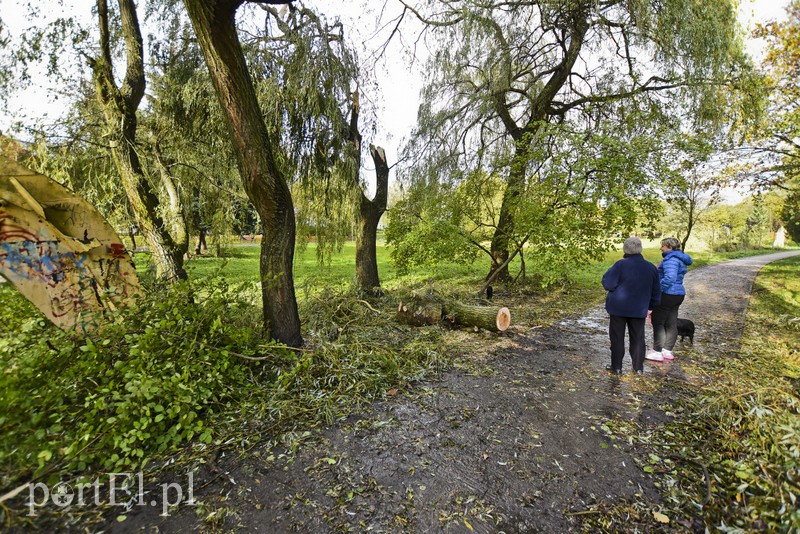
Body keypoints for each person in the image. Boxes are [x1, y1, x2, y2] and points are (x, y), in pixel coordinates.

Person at [602, 236, 661, 375]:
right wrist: (651, 306)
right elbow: (656, 290)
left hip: (618, 308)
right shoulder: (650, 267)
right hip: (639, 308)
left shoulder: (620, 265)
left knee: (617, 338)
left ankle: (616, 367)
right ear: (640, 249)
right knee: (638, 338)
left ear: (625, 249)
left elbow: (608, 284)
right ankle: (638, 368)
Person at [646, 237, 693, 362]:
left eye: (663, 246)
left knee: (658, 321)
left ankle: (657, 351)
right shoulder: (679, 258)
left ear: (669, 247)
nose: (660, 248)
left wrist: (658, 289)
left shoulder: (671, 259)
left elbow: (670, 278)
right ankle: (667, 350)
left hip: (667, 294)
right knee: (671, 322)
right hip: (678, 294)